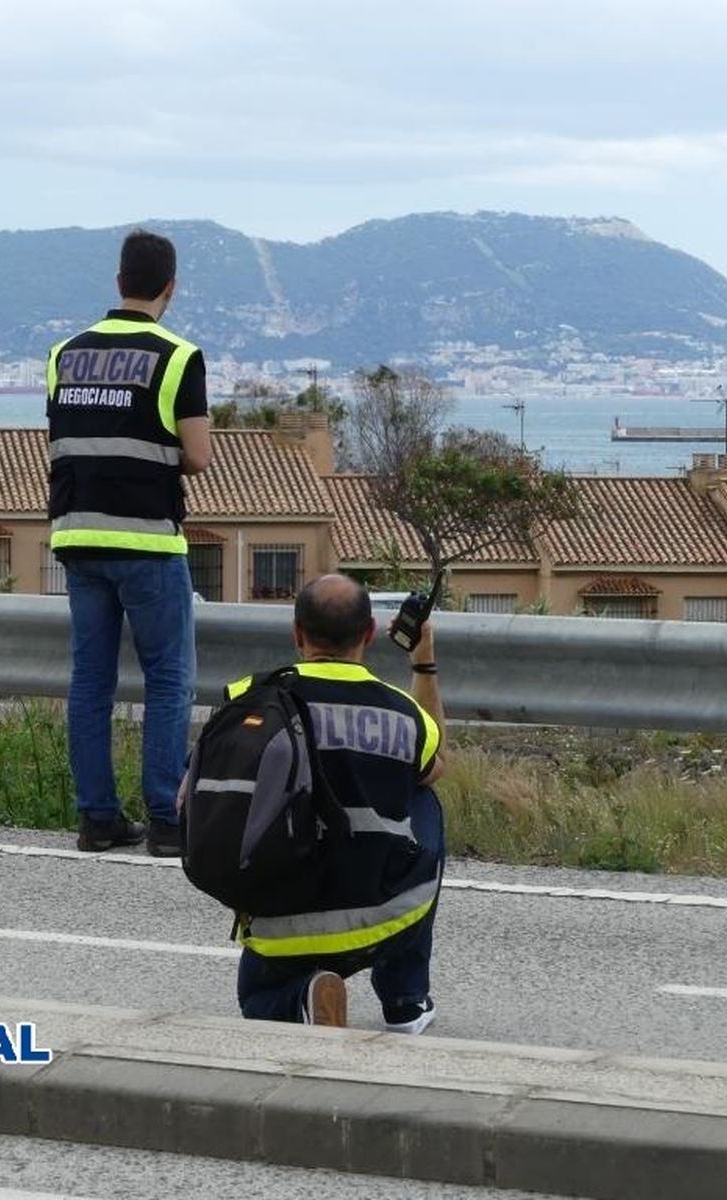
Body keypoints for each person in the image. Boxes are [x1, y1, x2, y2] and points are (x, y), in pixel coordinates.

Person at [47, 229, 213, 857]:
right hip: (147, 539)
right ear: (170, 288)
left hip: (77, 534)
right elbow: (196, 456)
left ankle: (98, 819)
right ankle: (168, 821)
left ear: (118, 283)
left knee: (89, 680)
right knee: (169, 679)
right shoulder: (178, 357)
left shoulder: (65, 353)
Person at [227, 574, 447, 1033]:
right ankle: (405, 1000)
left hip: (279, 926)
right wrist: (422, 662)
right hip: (379, 923)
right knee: (423, 795)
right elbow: (436, 761)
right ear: (368, 634)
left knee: (258, 1000)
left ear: (296, 634)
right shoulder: (401, 713)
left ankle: (301, 998)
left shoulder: (248, 699)